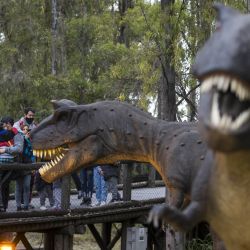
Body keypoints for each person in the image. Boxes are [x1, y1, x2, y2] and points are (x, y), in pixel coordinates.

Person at [0, 116, 24, 211]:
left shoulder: (17, 134)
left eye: (3, 124)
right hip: (4, 162)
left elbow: (19, 149)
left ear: (8, 124)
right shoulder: (5, 134)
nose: (2, 126)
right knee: (3, 185)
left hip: (13, 163)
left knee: (3, 185)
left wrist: (5, 150)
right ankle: (4, 207)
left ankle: (2, 206)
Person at [15, 125, 35, 211]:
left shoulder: (30, 141)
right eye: (24, 129)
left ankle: (26, 205)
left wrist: (33, 166)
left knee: (27, 186)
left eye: (27, 129)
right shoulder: (18, 139)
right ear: (21, 130)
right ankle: (18, 205)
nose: (25, 131)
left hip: (28, 166)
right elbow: (20, 150)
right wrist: (24, 139)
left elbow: (31, 153)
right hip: (19, 166)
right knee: (18, 187)